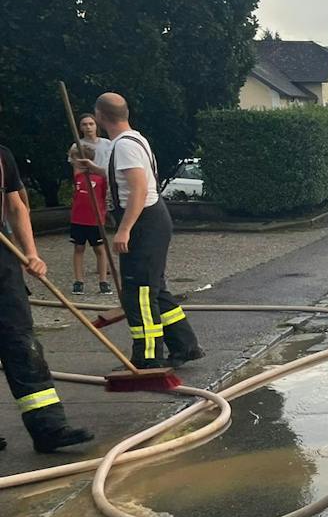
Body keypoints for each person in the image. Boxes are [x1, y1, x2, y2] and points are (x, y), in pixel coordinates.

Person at [81, 93, 203, 369]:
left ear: (100, 116)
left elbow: (137, 189)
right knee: (155, 288)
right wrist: (97, 170)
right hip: (151, 220)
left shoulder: (124, 146)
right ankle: (185, 346)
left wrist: (124, 230)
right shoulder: (132, 140)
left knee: (139, 293)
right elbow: (126, 178)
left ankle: (148, 357)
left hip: (143, 222)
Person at [0, 138, 94, 455]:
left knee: (23, 345)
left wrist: (31, 253)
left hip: (4, 266)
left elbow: (15, 206)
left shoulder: (3, 155)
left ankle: (49, 429)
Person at [66, 115, 114, 295]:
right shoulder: (76, 147)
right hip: (80, 211)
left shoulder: (107, 144)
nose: (88, 127)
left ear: (96, 125)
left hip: (99, 202)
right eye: (84, 124)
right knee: (79, 247)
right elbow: (76, 172)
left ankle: (104, 279)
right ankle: (79, 281)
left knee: (99, 247)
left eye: (91, 123)